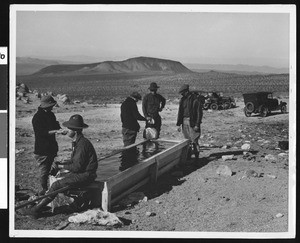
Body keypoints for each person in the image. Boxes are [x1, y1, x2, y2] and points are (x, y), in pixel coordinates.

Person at [21, 114, 98, 219]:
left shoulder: (82, 144)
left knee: (57, 185)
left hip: (86, 175)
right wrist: (60, 164)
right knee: (59, 182)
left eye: (69, 128)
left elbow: (77, 167)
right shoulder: (78, 142)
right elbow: (74, 161)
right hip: (82, 173)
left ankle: (35, 210)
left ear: (74, 131)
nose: (67, 130)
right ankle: (41, 205)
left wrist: (61, 166)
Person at [32, 95, 67, 196]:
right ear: (46, 106)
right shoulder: (37, 118)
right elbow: (41, 133)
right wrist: (57, 131)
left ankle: (50, 187)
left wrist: (59, 129)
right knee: (44, 171)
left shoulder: (50, 115)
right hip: (42, 149)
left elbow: (55, 125)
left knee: (50, 168)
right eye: (51, 105)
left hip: (51, 148)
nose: (52, 107)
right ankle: (43, 190)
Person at [176, 84, 203, 158]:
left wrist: (197, 124)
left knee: (195, 140)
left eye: (183, 93)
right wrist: (179, 124)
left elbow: (199, 113)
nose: (182, 94)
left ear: (187, 91)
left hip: (192, 122)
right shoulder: (182, 100)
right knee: (187, 140)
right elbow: (180, 112)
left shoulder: (195, 99)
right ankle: (188, 156)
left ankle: (197, 157)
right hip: (184, 121)